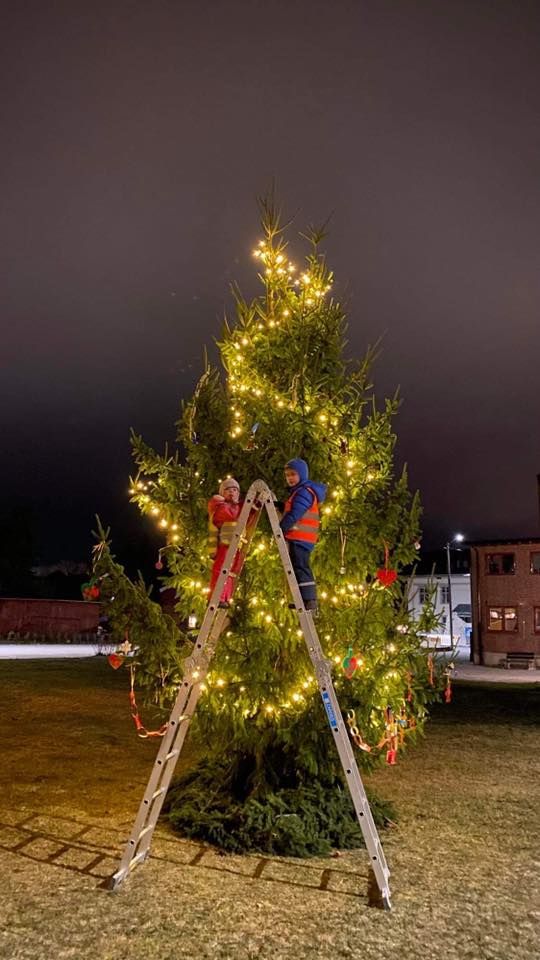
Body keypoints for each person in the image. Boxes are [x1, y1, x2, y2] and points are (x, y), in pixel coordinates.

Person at [279, 458, 326, 613]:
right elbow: (290, 508)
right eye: (287, 475)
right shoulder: (299, 493)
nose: (290, 478)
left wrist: (282, 527)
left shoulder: (304, 492)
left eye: (293, 474)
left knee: (301, 567)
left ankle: (310, 600)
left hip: (301, 538)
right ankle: (302, 599)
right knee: (297, 567)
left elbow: (295, 514)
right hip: (300, 537)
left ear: (302, 475)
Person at [208, 478, 243, 606]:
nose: (232, 493)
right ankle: (216, 597)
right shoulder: (220, 507)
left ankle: (225, 597)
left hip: (236, 545)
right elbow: (231, 517)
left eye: (235, 490)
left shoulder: (236, 506)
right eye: (228, 490)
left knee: (229, 572)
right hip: (225, 544)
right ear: (222, 493)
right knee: (221, 570)